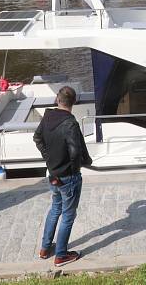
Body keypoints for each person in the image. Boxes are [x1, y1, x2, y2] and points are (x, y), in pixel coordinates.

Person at [34, 86, 92, 267]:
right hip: (68, 176)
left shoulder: (47, 116)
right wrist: (74, 169)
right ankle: (61, 255)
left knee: (55, 209)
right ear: (73, 103)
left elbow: (37, 138)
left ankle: (45, 248)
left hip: (52, 173)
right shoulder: (70, 123)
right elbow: (75, 151)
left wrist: (49, 159)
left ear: (57, 100)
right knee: (68, 215)